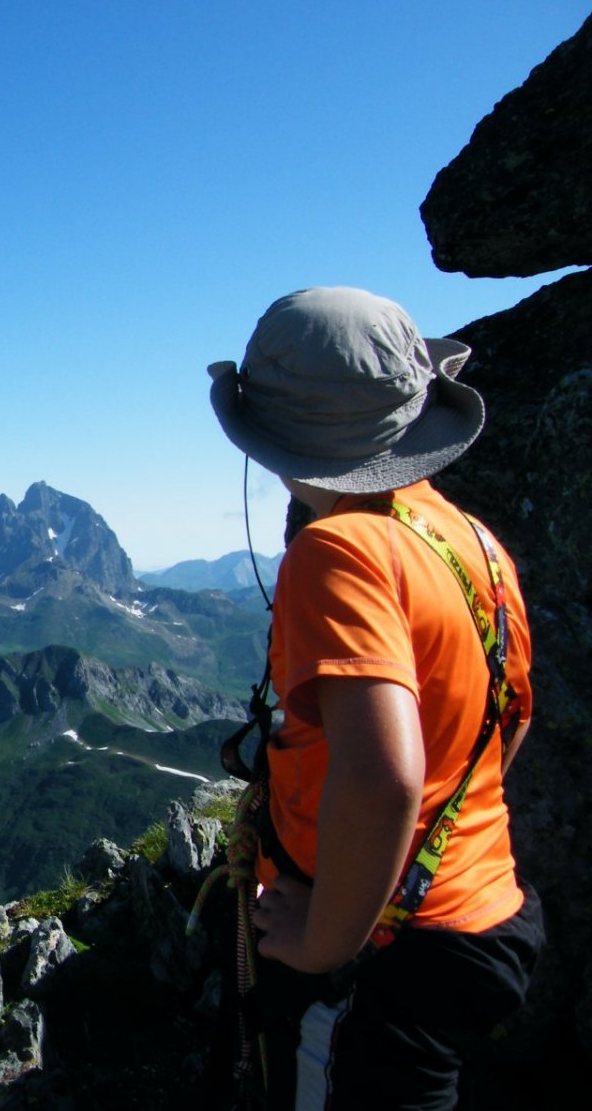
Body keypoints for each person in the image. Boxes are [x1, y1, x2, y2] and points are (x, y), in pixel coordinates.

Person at [205, 287, 543, 1109]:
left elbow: (386, 775)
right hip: (486, 908)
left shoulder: (336, 550)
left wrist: (326, 939)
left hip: (389, 953)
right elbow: (504, 719)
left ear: (278, 441)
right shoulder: (470, 541)